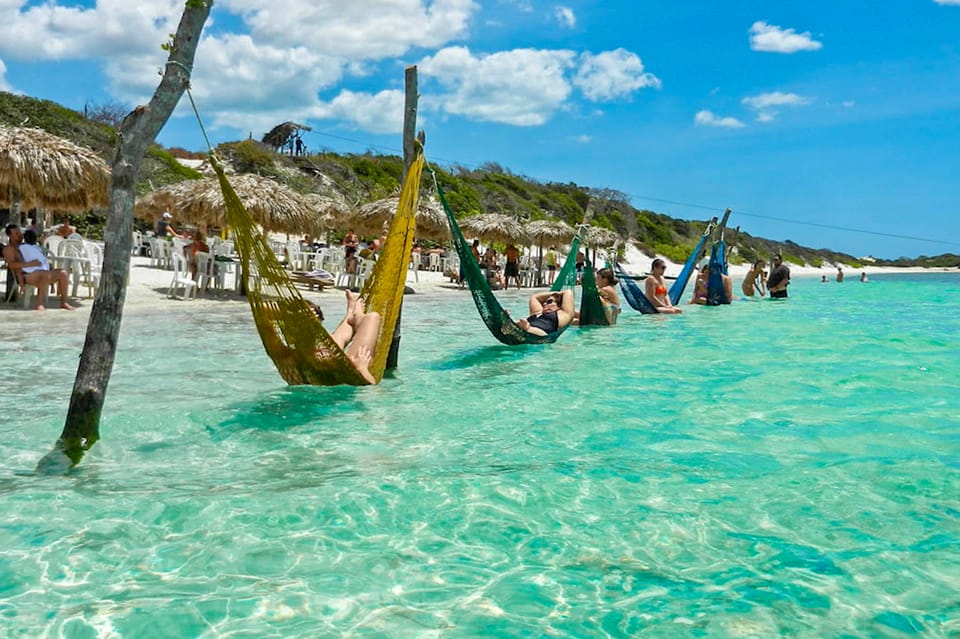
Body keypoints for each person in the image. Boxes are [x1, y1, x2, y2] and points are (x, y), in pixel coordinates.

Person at [2, 224, 74, 310]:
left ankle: (64, 302)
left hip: (40, 272)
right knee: (44, 274)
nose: (20, 235)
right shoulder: (9, 249)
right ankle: (39, 304)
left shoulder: (27, 246)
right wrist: (30, 264)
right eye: (16, 233)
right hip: (26, 275)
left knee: (63, 273)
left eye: (20, 233)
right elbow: (11, 265)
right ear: (10, 235)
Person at [318, 290, 380, 384]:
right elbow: (373, 390)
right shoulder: (350, 368)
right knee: (372, 318)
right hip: (346, 378)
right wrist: (362, 369)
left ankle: (351, 314)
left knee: (333, 345)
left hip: (333, 373)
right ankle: (355, 316)